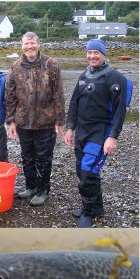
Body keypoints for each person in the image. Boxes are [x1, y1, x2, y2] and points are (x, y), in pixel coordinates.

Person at [65, 39, 132, 228]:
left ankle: (87, 212)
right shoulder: (83, 76)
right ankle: (97, 207)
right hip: (82, 132)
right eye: (89, 52)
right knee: (82, 170)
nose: (92, 56)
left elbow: (120, 110)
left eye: (96, 53)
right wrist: (70, 127)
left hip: (100, 133)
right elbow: (74, 104)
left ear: (104, 54)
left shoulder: (114, 77)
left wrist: (113, 136)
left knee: (88, 172)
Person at [5, 32, 65, 206]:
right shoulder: (15, 66)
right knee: (27, 156)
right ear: (22, 45)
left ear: (38, 44)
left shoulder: (51, 64)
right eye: (26, 43)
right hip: (23, 121)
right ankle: (30, 186)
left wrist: (60, 120)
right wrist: (11, 121)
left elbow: (58, 94)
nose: (29, 46)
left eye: (32, 43)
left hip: (45, 121)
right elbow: (9, 96)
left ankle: (43, 190)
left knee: (44, 158)